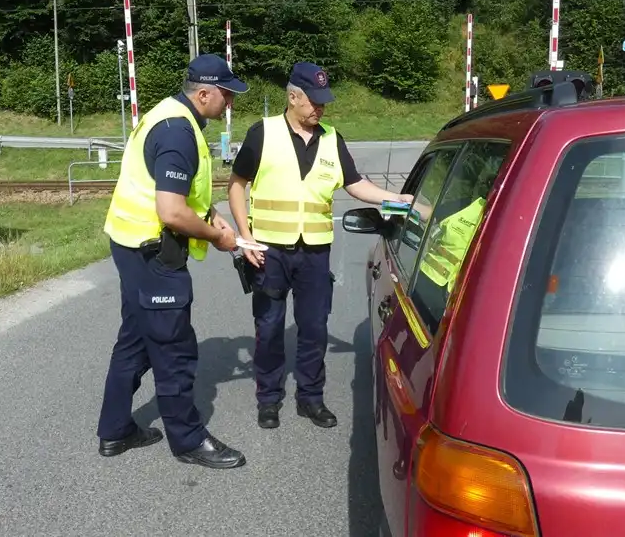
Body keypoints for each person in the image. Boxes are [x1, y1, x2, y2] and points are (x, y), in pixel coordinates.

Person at [227, 62, 412, 430]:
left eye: (324, 103)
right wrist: (243, 236)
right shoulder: (262, 133)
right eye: (314, 102)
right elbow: (236, 184)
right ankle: (269, 399)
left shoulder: (332, 138)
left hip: (314, 252)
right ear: (293, 97)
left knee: (314, 328)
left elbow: (355, 184)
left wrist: (396, 199)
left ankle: (311, 398)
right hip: (269, 251)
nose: (320, 109)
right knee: (269, 327)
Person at [97, 53, 248, 469]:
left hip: (130, 247)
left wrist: (213, 217)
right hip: (154, 253)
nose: (229, 104)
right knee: (174, 349)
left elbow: (187, 201)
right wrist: (219, 236)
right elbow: (171, 211)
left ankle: (115, 430)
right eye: (225, 95)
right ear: (203, 93)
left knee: (136, 338)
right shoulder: (179, 132)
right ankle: (189, 440)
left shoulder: (166, 115)